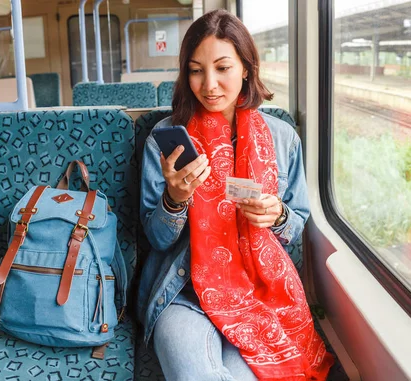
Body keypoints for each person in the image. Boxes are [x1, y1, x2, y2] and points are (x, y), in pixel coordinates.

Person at [137, 9, 334, 381]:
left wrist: (276, 215)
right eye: (196, 70)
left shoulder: (282, 138)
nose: (209, 84)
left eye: (222, 68)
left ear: (246, 68)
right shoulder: (165, 139)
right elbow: (157, 239)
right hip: (183, 292)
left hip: (258, 292)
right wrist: (174, 200)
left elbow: (295, 227)